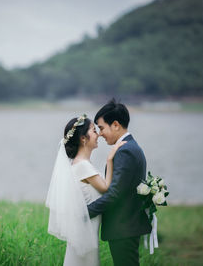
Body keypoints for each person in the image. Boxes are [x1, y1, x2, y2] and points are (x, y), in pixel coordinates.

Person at [46, 114, 126, 266]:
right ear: (83, 138)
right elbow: (106, 188)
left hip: (86, 232)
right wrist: (110, 159)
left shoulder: (80, 164)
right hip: (84, 235)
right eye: (94, 131)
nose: (98, 134)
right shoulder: (83, 165)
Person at [87, 99, 152, 266]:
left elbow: (115, 194)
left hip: (123, 228)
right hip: (125, 227)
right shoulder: (129, 147)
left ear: (115, 125)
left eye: (101, 128)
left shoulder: (125, 151)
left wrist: (84, 213)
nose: (100, 134)